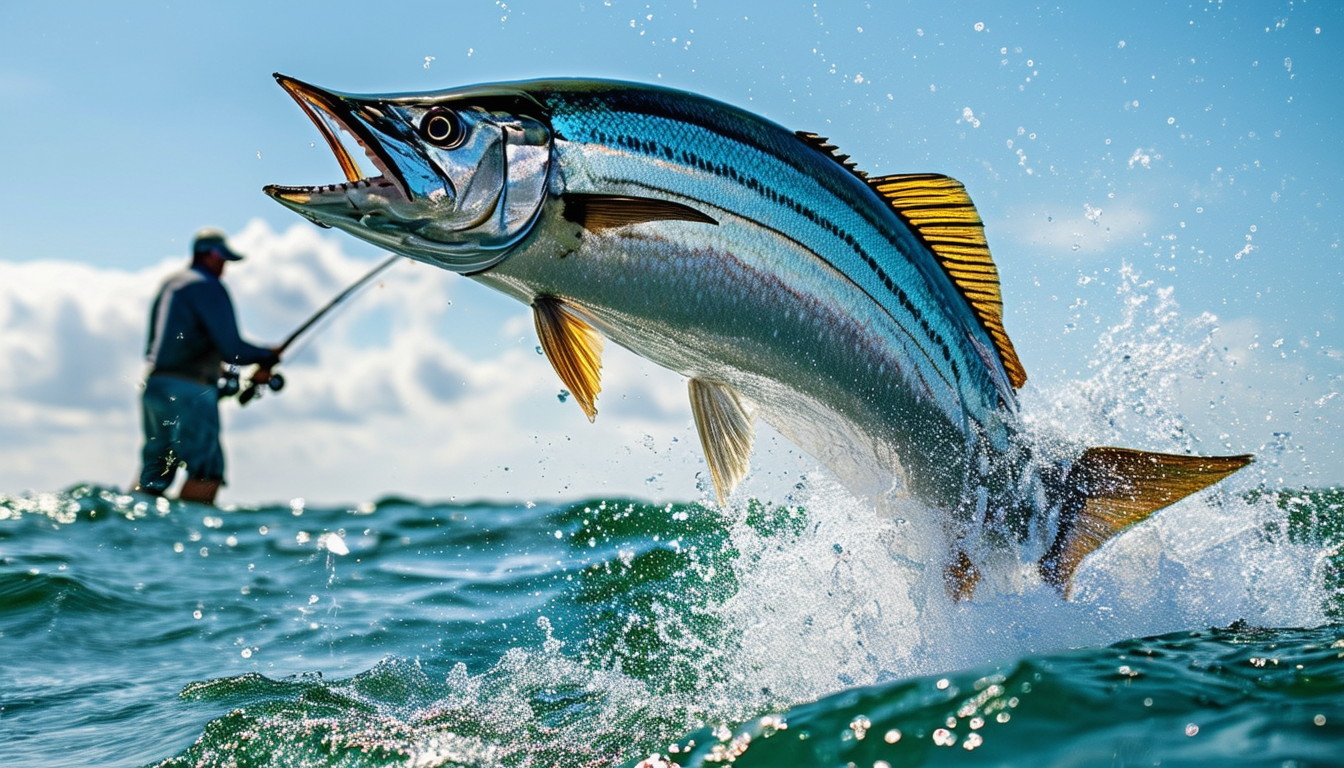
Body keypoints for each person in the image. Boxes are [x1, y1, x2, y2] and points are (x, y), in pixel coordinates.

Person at [133, 227, 278, 504]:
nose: (225, 267)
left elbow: (170, 346)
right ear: (211, 255)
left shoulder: (171, 284)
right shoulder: (207, 285)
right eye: (223, 259)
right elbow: (234, 350)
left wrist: (219, 371)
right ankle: (188, 542)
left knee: (153, 475)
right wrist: (267, 355)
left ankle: (134, 537)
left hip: (155, 387)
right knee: (206, 471)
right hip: (190, 392)